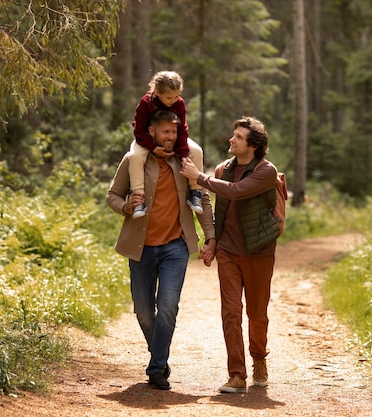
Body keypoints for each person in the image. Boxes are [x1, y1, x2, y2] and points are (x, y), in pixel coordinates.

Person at [107, 110, 216, 390]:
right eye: (165, 131)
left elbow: (202, 197)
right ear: (152, 132)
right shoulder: (134, 160)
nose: (170, 137)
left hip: (175, 247)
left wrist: (210, 236)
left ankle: (156, 368)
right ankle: (160, 355)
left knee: (167, 306)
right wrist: (126, 207)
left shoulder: (185, 161)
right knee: (144, 311)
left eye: (174, 132)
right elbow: (113, 195)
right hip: (140, 248)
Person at [180, 116, 280, 393]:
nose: (231, 140)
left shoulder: (266, 171)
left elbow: (236, 192)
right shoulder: (223, 168)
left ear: (253, 145)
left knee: (257, 314)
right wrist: (212, 240)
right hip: (228, 252)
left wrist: (198, 178)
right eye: (233, 134)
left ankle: (259, 359)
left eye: (238, 137)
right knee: (231, 313)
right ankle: (237, 374)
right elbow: (219, 206)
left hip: (259, 251)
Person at [129, 70, 205, 218]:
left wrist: (183, 154)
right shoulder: (146, 103)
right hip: (146, 138)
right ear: (157, 92)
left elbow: (182, 130)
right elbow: (138, 131)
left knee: (196, 151)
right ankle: (138, 198)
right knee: (135, 156)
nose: (173, 100)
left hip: (174, 136)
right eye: (169, 97)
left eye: (177, 96)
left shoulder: (179, 104)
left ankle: (196, 192)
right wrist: (153, 148)